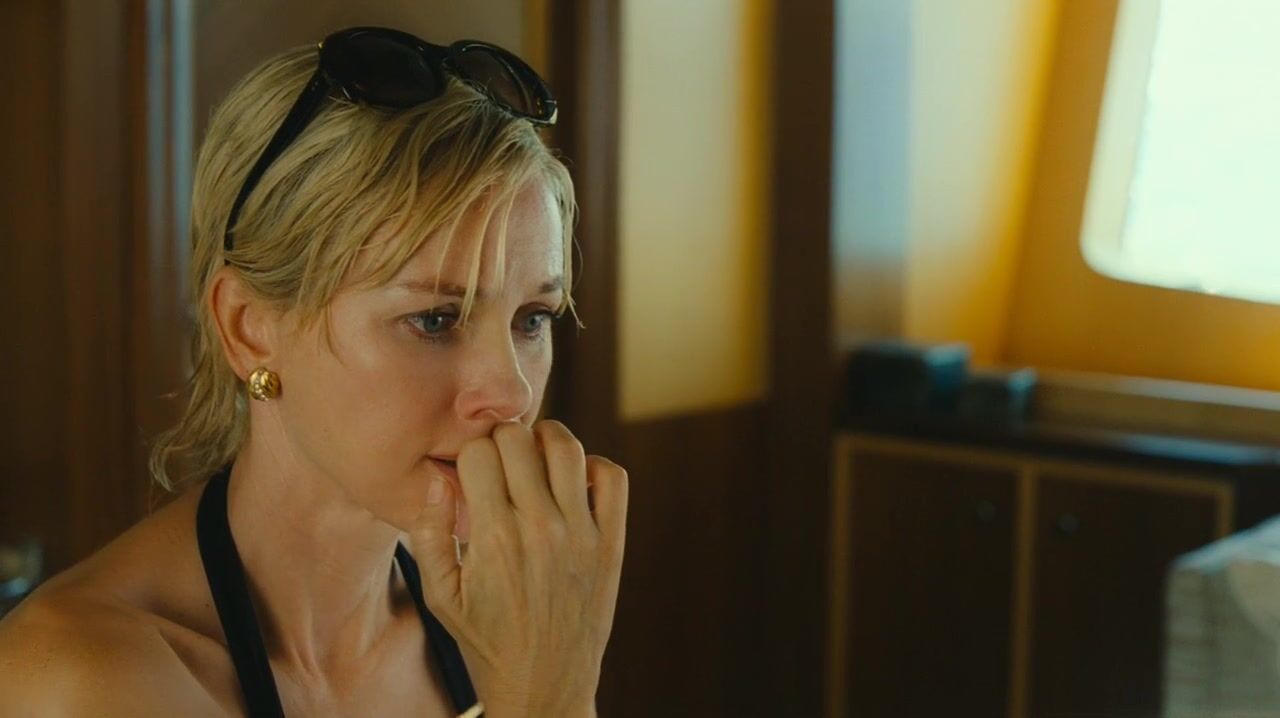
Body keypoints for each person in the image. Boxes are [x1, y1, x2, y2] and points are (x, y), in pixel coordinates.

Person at [0, 27, 627, 717]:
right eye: (434, 320)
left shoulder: (508, 617)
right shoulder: (81, 679)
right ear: (248, 328)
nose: (511, 394)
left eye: (532, 318)